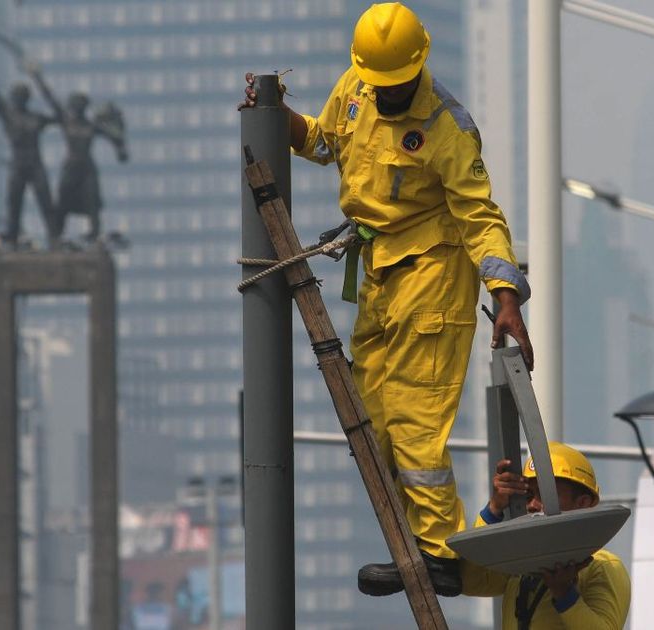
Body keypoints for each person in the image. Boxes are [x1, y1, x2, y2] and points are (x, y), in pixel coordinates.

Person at [240, 2, 533, 597]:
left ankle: (439, 554)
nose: (389, 98)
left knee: (415, 422)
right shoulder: (356, 87)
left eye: (398, 88)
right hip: (381, 272)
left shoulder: (448, 127)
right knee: (369, 416)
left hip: (435, 273)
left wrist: (506, 296)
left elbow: (480, 216)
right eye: (382, 87)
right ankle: (414, 549)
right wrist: (275, 118)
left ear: (418, 68)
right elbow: (323, 143)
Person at [461, 443, 631, 629]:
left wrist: (564, 593)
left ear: (583, 503)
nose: (532, 505)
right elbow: (471, 581)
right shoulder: (520, 564)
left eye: (546, 494)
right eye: (529, 495)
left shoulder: (603, 566)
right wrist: (494, 509)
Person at [0, 43, 58, 245]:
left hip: (35, 164)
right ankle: (13, 236)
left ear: (26, 98)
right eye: (15, 96)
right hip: (18, 165)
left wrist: (38, 77)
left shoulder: (36, 118)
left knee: (46, 203)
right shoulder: (9, 116)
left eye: (20, 96)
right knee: (14, 205)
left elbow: (59, 115)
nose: (16, 99)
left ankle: (54, 237)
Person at [27, 62, 128, 242]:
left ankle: (95, 234)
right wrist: (36, 77)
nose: (76, 108)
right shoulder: (67, 122)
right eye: (75, 105)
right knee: (62, 203)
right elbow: (50, 98)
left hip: (87, 169)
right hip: (71, 168)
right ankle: (56, 236)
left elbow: (115, 137)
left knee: (92, 203)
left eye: (80, 105)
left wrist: (120, 149)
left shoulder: (91, 126)